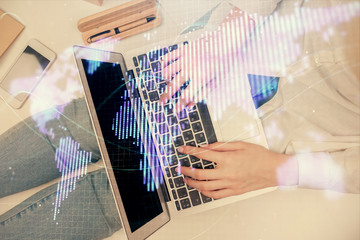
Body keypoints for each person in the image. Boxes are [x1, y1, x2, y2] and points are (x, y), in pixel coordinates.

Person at [0, 0, 359, 239]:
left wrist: (280, 169)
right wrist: (229, 33)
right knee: (86, 124)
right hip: (221, 52)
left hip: (257, 144)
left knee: (115, 198)